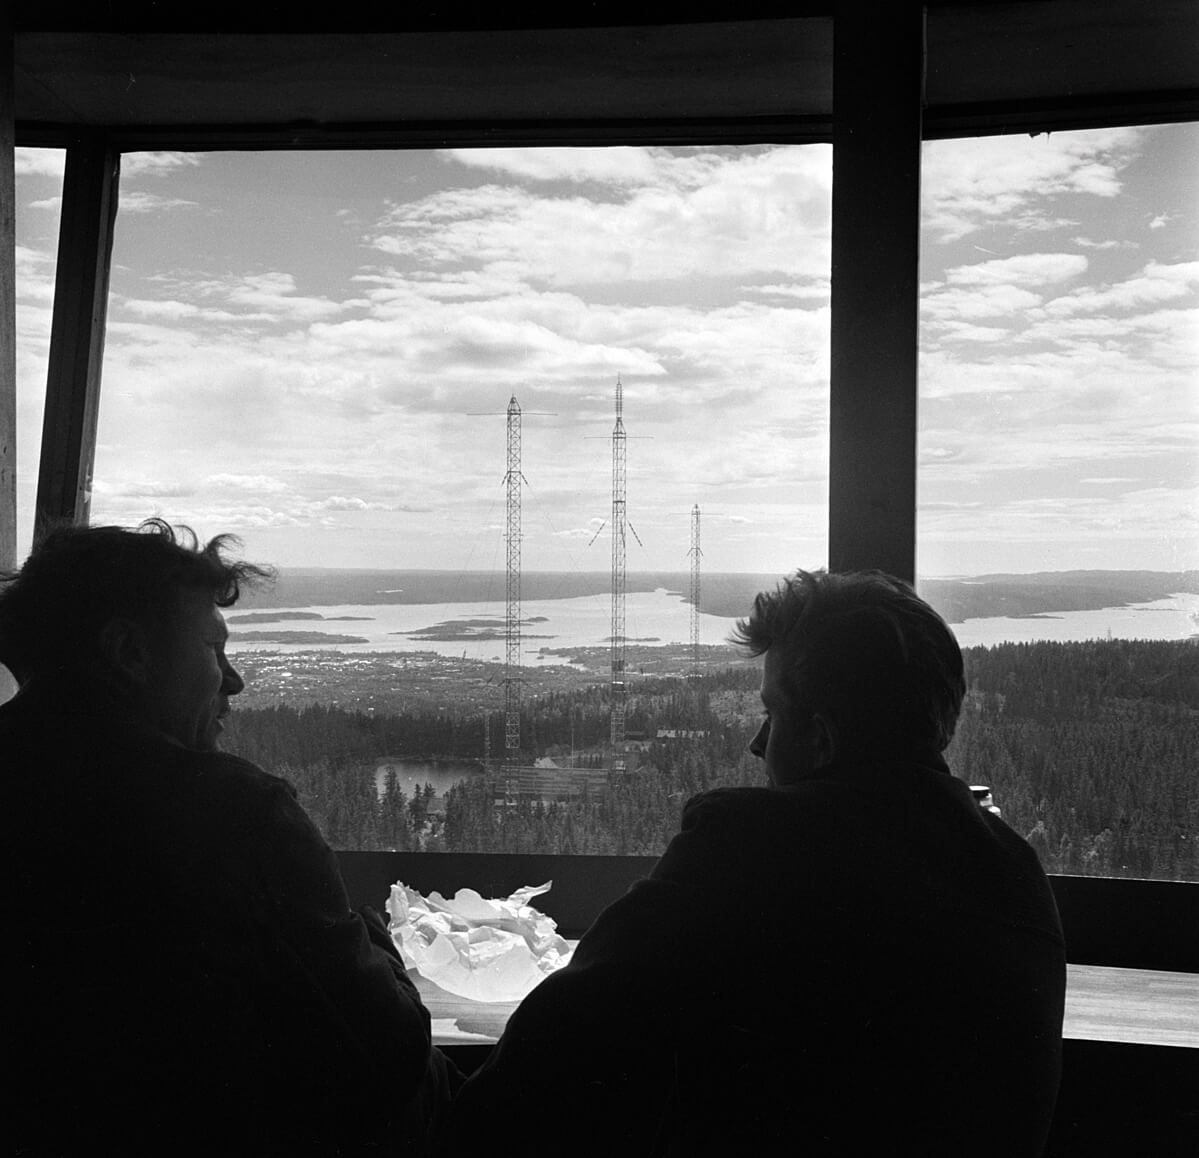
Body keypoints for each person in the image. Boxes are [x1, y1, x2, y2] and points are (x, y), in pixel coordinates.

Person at [445, 569, 1066, 1156]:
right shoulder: (1015, 872)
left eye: (772, 714)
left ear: (821, 736)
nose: (758, 743)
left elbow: (542, 1067)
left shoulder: (749, 848)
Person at [3, 519, 451, 1157]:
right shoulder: (236, 816)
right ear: (130, 653)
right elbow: (392, 1053)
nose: (233, 679)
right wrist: (375, 937)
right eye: (214, 649)